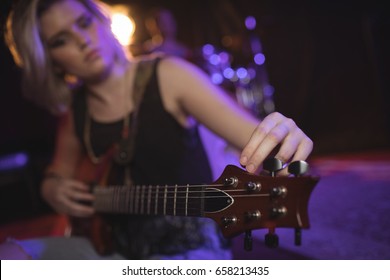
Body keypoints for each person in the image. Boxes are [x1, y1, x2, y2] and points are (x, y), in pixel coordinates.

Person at [0, 0, 313, 260]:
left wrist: (284, 139)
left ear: (102, 21)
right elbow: (57, 173)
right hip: (108, 246)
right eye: (60, 40)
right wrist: (51, 188)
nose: (83, 40)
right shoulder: (74, 112)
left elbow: (262, 144)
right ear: (51, 62)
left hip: (187, 246)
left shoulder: (169, 75)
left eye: (83, 23)